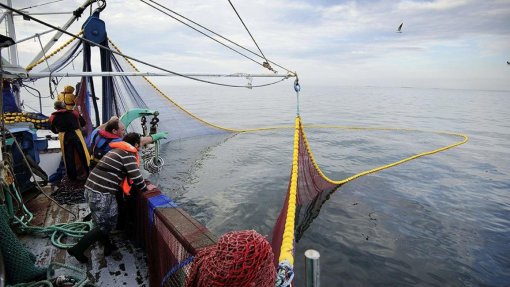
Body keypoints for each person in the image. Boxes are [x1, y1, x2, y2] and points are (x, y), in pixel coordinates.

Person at [67, 132, 151, 263]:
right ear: (135, 144)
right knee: (105, 225)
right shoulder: (128, 154)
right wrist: (146, 190)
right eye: (139, 145)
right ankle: (78, 248)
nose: (139, 148)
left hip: (92, 189)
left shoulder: (117, 150)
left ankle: (108, 246)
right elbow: (136, 176)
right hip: (101, 193)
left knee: (105, 220)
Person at [87, 117, 167, 169]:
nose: (124, 132)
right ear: (114, 131)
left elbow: (100, 128)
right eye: (122, 130)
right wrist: (156, 136)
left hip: (93, 167)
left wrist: (111, 121)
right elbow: (140, 141)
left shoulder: (96, 133)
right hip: (106, 170)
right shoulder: (117, 142)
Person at [49, 100, 90, 181]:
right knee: (83, 155)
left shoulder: (52, 117)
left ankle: (72, 177)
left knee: (68, 157)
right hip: (76, 134)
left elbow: (54, 130)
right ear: (64, 106)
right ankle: (88, 173)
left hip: (64, 137)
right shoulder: (74, 113)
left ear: (56, 108)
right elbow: (83, 123)